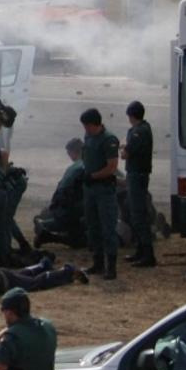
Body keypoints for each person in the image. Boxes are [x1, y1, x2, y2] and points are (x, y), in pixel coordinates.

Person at [78, 108, 120, 280]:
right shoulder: (89, 137)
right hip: (90, 190)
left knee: (108, 227)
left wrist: (93, 176)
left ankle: (111, 266)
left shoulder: (108, 140)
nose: (85, 130)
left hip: (104, 189)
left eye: (87, 126)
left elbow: (112, 167)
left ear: (95, 124)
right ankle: (98, 263)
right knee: (93, 226)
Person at [33, 138, 88, 248]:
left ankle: (45, 231)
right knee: (82, 239)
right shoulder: (85, 166)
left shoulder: (74, 167)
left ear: (72, 152)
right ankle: (45, 228)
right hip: (71, 209)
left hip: (62, 206)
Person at [123, 101, 156, 268]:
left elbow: (126, 154)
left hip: (137, 175)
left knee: (138, 215)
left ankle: (147, 253)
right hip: (139, 175)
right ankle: (141, 251)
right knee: (136, 213)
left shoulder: (138, 132)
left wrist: (124, 150)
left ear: (131, 115)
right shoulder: (144, 128)